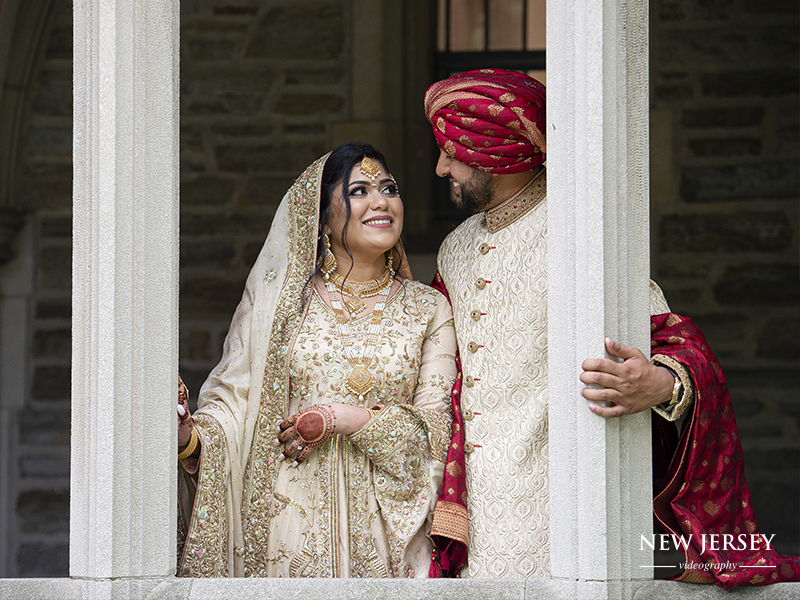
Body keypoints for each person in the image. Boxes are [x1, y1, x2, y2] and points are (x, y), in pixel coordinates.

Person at [424, 68, 799, 586]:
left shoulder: (583, 232)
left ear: (499, 149)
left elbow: (675, 345)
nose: (441, 167)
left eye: (452, 150)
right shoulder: (455, 248)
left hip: (563, 507)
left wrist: (660, 384)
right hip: (471, 510)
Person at [175, 142, 457, 578]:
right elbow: (234, 412)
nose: (381, 201)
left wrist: (346, 418)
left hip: (390, 542)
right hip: (285, 538)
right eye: (359, 191)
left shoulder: (428, 309)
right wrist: (190, 439)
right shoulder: (277, 305)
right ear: (321, 215)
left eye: (389, 188)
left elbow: (435, 435)